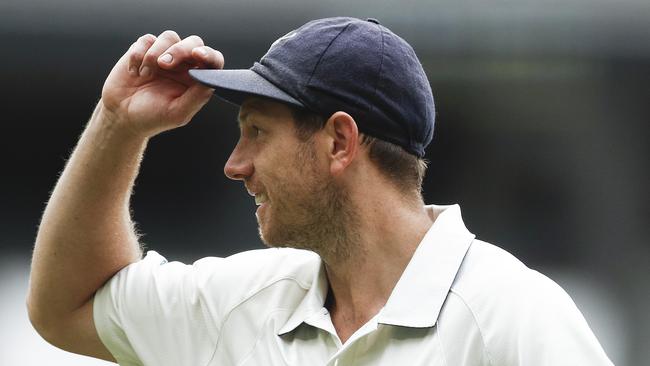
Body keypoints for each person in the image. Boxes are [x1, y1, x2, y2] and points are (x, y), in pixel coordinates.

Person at [27, 17, 613, 366]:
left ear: (339, 142)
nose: (235, 166)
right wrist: (117, 123)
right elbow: (65, 307)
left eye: (257, 132)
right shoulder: (243, 302)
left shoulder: (514, 318)